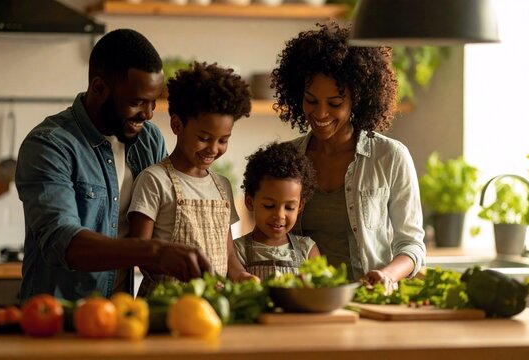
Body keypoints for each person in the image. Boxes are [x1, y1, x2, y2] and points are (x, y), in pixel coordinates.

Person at [15, 29, 212, 302]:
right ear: (99, 88)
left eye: (154, 102)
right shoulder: (49, 145)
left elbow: (166, 212)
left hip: (120, 317)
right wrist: (152, 251)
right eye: (136, 102)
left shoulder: (149, 139)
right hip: (55, 322)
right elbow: (63, 241)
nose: (148, 113)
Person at [271, 22, 426, 293]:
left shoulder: (390, 157)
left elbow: (411, 245)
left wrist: (388, 274)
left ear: (358, 99)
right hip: (306, 300)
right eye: (311, 100)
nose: (320, 114)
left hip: (368, 297)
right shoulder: (288, 159)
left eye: (334, 103)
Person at [128, 61, 257, 296]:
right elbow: (139, 253)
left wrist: (241, 275)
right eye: (204, 137)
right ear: (177, 125)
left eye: (223, 140)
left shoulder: (222, 186)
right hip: (164, 304)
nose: (213, 148)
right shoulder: (154, 180)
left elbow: (227, 254)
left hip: (212, 305)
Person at [233, 142, 320, 280]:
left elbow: (320, 293)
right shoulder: (236, 251)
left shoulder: (307, 250)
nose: (279, 216)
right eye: (269, 205)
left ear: (299, 207)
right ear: (250, 202)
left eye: (289, 207)